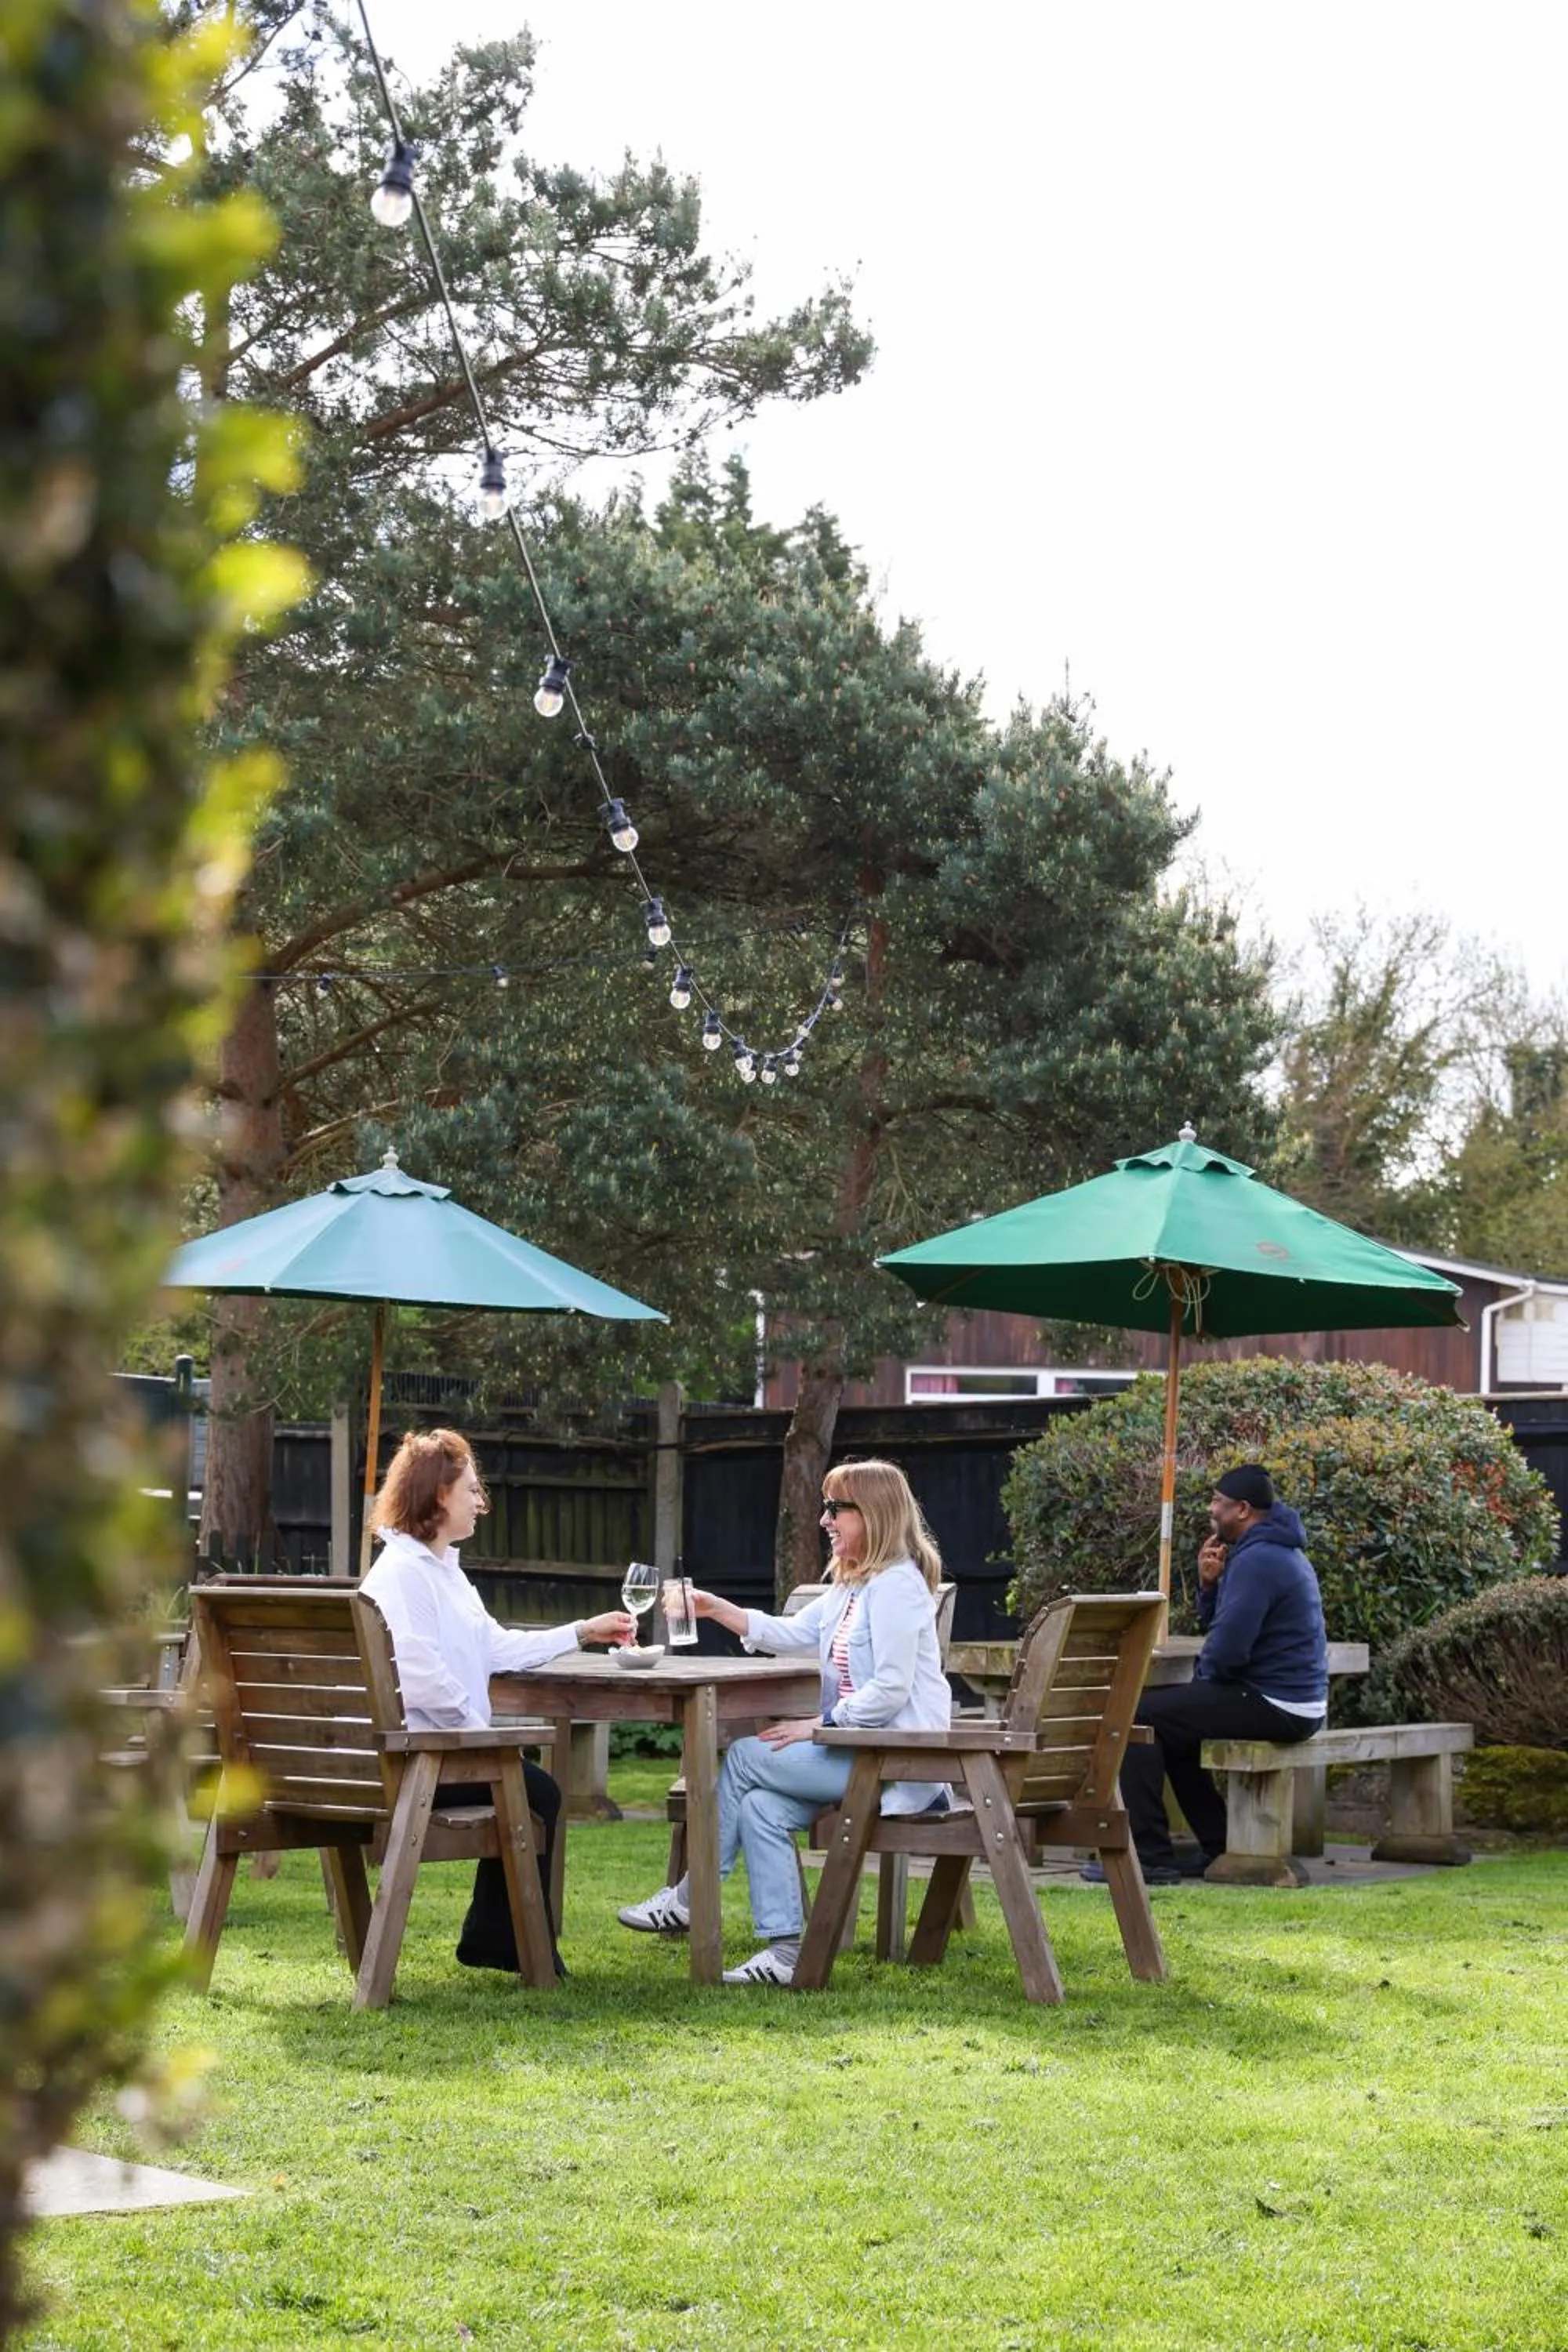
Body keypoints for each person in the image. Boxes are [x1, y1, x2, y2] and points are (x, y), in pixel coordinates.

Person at [616, 1457, 953, 1985]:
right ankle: (786, 1954)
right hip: (859, 1750)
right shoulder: (853, 1588)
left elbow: (891, 1689)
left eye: (835, 1509)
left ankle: (689, 1899)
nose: (824, 1521)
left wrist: (819, 1725)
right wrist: (713, 1607)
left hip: (896, 1758)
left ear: (875, 1513)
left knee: (749, 1757)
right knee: (761, 1808)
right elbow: (789, 1632)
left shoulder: (897, 1588)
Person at [361, 1428, 633, 1975]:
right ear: (440, 1495)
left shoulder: (440, 1571)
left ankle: (493, 1936)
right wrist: (483, 1735)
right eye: (472, 1491)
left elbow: (497, 1645)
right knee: (534, 1789)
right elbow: (418, 1677)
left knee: (532, 1787)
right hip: (417, 1764)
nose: (481, 1503)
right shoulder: (407, 1573)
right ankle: (500, 1939)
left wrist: (582, 1630)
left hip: (427, 1756)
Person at [1087, 1462, 1327, 1886]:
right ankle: (1218, 1844)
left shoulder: (1259, 1560)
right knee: (1173, 1725)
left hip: (1276, 1702)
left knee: (1136, 1716)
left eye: (1218, 1501)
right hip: (1291, 1700)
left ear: (1243, 1510)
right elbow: (1230, 1629)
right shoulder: (1274, 1552)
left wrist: (1202, 1685)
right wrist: (1210, 1586)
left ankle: (1147, 1855)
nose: (1211, 1509)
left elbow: (1230, 1649)